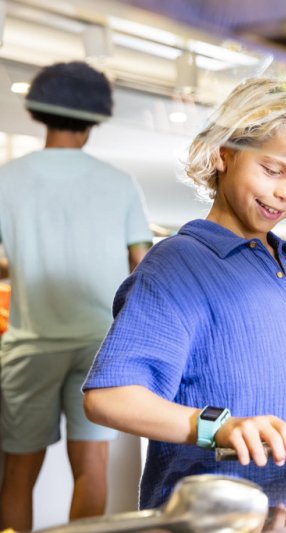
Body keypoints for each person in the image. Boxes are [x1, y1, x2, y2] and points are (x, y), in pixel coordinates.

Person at [82, 77, 286, 510]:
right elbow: (109, 397)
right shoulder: (177, 264)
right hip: (210, 517)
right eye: (273, 170)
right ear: (226, 154)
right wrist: (219, 428)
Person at [0, 61, 152, 530]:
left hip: (29, 344)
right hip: (98, 346)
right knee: (90, 469)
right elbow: (142, 267)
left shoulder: (6, 179)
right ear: (94, 120)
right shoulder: (119, 182)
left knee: (19, 473)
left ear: (38, 112)